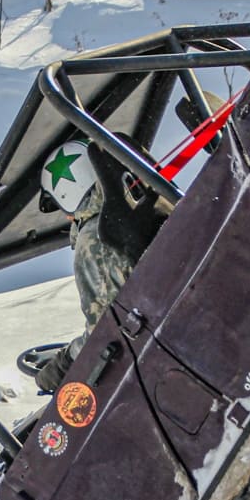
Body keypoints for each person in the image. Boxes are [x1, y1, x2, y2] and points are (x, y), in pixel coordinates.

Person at [31, 139, 165, 394]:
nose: (66, 217)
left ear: (66, 194)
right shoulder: (145, 202)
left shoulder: (95, 238)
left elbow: (107, 330)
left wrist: (63, 365)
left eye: (60, 206)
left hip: (160, 364)